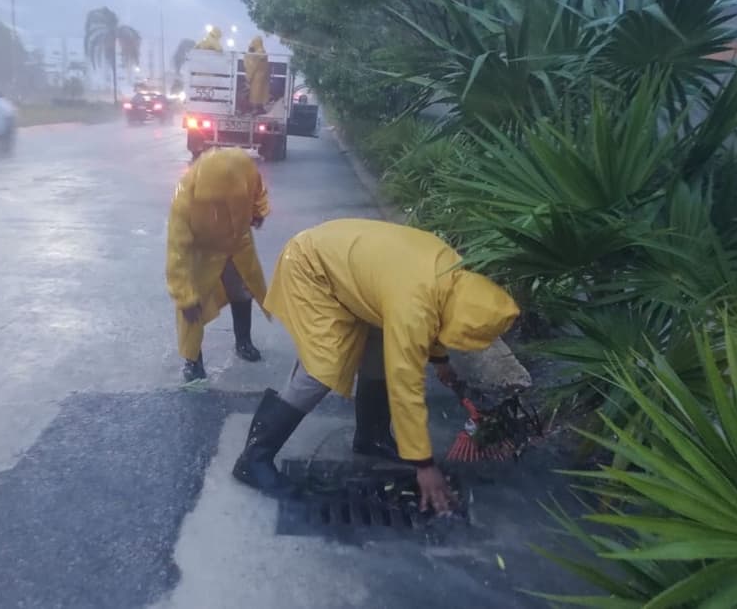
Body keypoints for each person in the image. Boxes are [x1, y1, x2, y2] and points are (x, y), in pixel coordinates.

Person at [232, 219, 520, 512]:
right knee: (322, 367)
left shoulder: (453, 273)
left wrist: (440, 359)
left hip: (348, 268)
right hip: (310, 266)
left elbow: (439, 314)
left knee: (380, 352)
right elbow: (405, 382)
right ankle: (253, 459)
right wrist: (424, 464)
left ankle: (371, 438)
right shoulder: (413, 306)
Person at [166, 148, 270, 383]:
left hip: (238, 243)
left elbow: (258, 191)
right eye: (218, 202)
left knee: (242, 292)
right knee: (193, 306)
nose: (225, 206)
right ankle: (193, 360)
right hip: (204, 252)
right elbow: (177, 253)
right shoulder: (184, 201)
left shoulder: (243, 168)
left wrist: (257, 211)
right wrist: (184, 296)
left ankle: (243, 342)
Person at [244, 36, 269, 115]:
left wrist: (249, 76)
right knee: (260, 93)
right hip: (263, 76)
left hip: (256, 76)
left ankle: (256, 109)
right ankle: (260, 108)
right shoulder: (263, 51)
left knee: (255, 94)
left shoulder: (257, 53)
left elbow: (252, 65)